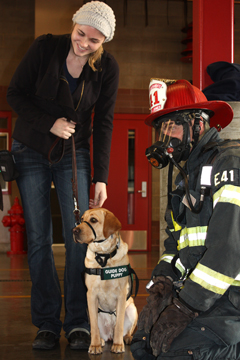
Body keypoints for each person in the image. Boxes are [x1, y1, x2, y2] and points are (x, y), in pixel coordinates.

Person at [7, 1, 119, 350]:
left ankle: (77, 323)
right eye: (81, 33)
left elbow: (103, 122)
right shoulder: (45, 48)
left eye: (94, 41)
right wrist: (49, 123)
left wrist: (101, 177)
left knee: (77, 238)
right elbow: (15, 94)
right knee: (40, 238)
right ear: (74, 24)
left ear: (105, 42)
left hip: (75, 154)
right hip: (31, 150)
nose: (83, 43)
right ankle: (44, 323)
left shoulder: (108, 68)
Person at [131, 79, 240, 360]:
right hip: (208, 300)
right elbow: (175, 246)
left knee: (172, 352)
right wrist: (162, 287)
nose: (166, 137)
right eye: (162, 128)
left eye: (173, 125)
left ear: (198, 124)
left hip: (231, 306)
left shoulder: (229, 164)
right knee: (143, 344)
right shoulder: (185, 179)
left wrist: (184, 307)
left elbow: (227, 252)